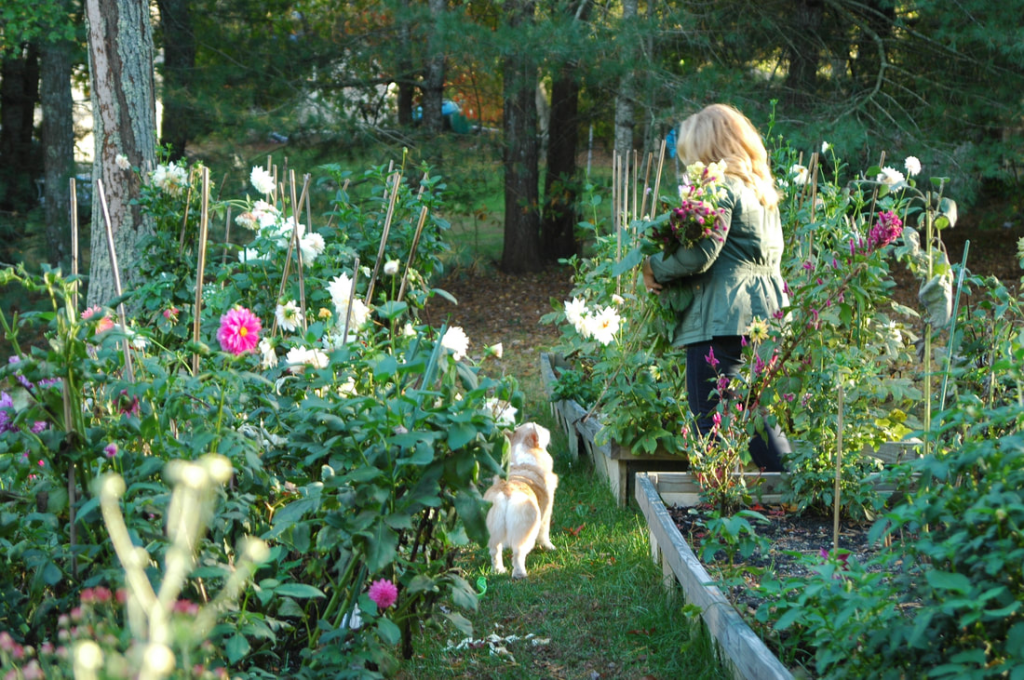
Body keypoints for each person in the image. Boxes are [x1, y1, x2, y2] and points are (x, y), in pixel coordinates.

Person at [642, 103, 790, 472]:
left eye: (692, 152)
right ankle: (794, 493)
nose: (690, 162)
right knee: (758, 419)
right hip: (765, 315)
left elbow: (700, 255)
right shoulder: (760, 192)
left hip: (722, 315)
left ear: (708, 148)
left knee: (709, 423)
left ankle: (715, 514)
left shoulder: (720, 188)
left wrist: (653, 267)